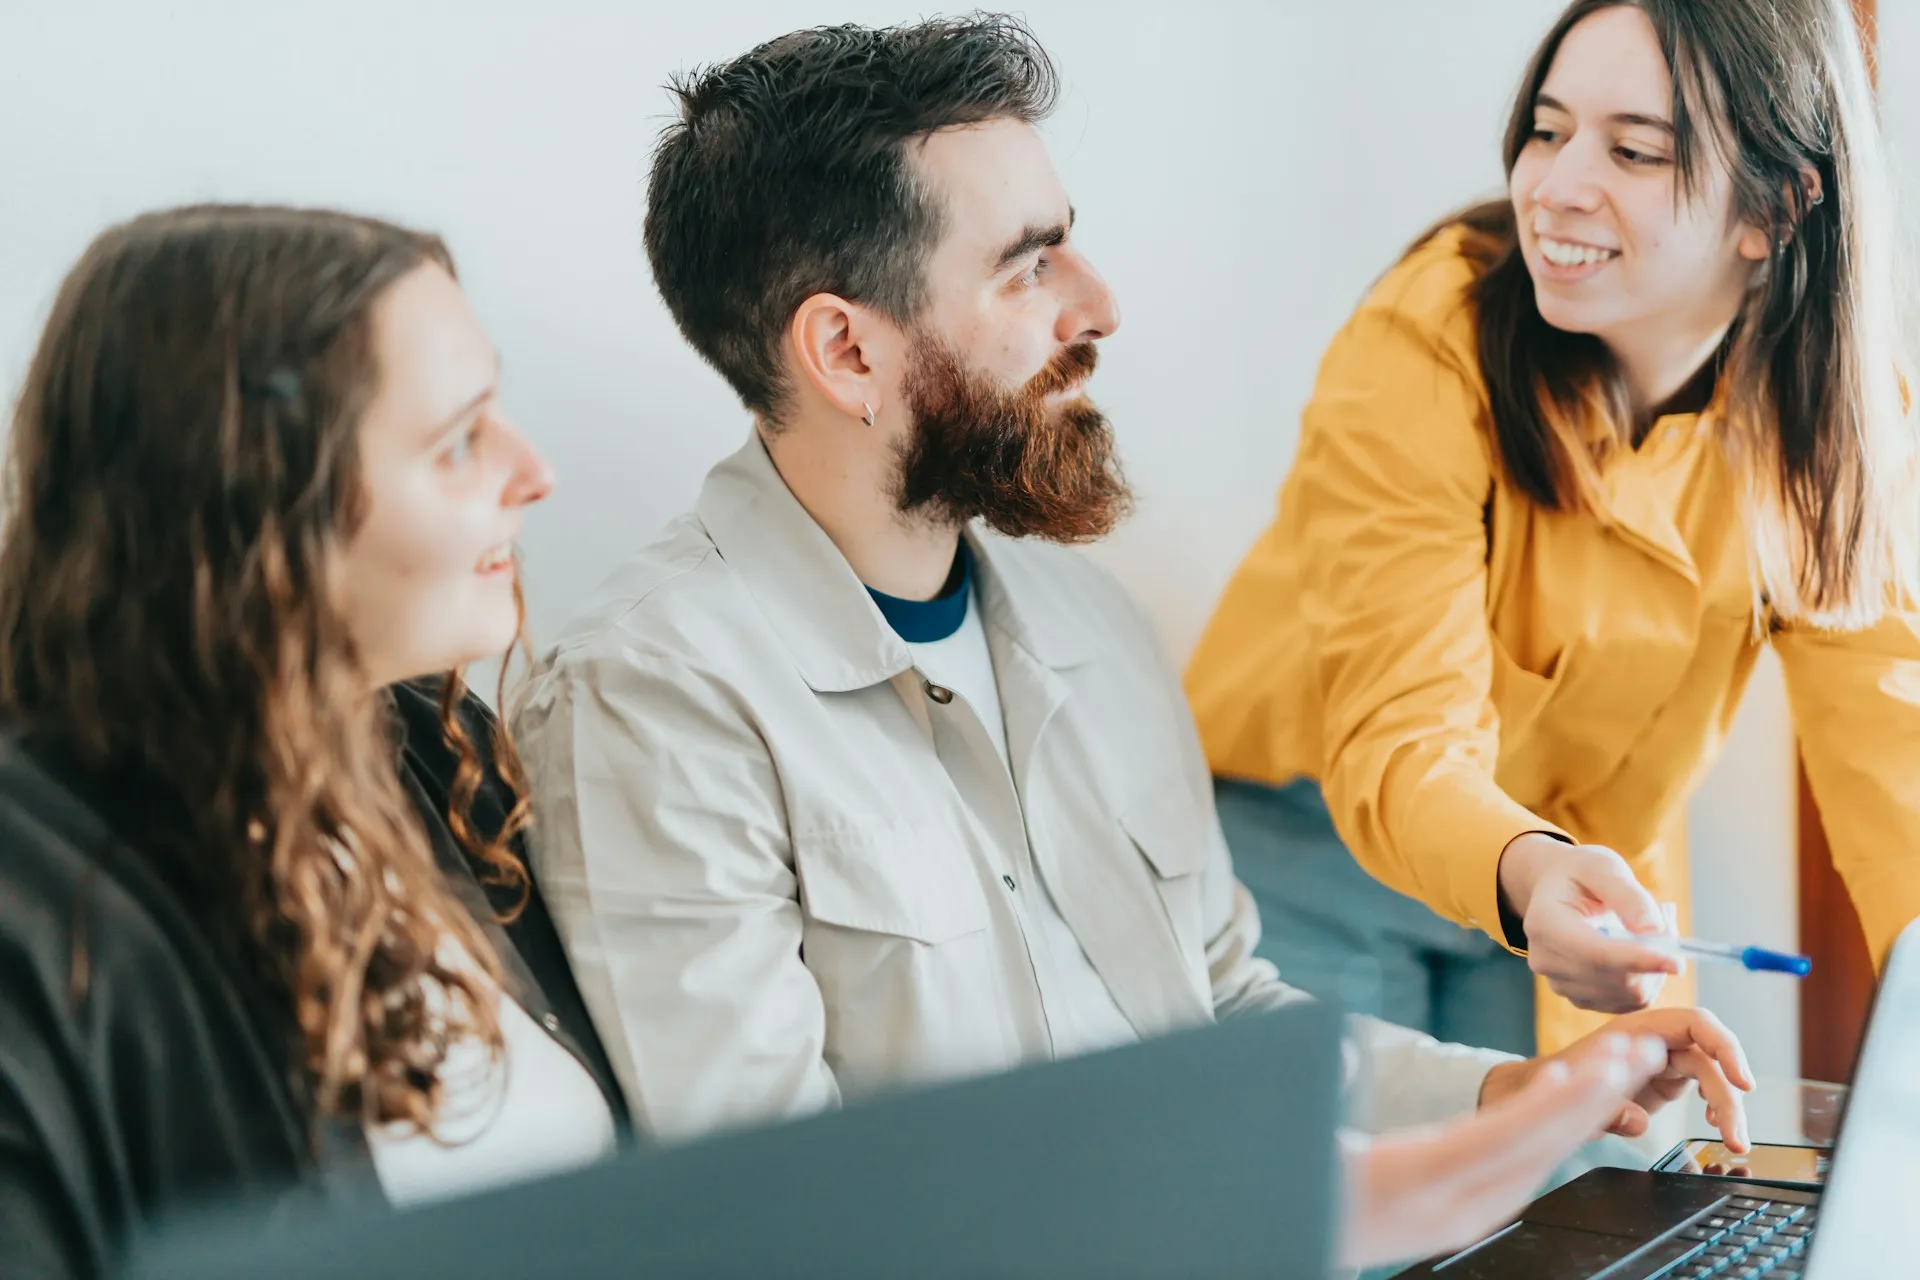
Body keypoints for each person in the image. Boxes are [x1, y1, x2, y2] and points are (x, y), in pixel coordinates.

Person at [511, 17, 1751, 1271]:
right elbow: (777, 1217)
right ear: (846, 350)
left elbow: (1224, 1021)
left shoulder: (1089, 628)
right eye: (1027, 266)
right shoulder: (650, 697)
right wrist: (1357, 1195)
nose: (1098, 305)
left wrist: (1516, 1100)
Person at [1185, 0, 1920, 1058]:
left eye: (1634, 150)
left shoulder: (1838, 415)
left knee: (1589, 1194)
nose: (1556, 186)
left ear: (1776, 209)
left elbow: (1891, 755)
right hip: (1321, 839)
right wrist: (1531, 872)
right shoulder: (1427, 335)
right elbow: (1403, 735)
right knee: (1365, 1195)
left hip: (1579, 873)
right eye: (1548, 128)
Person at [0, 205, 625, 1280]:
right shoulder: (41, 915)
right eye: (459, 438)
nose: (534, 472)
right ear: (257, 503)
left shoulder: (429, 750)